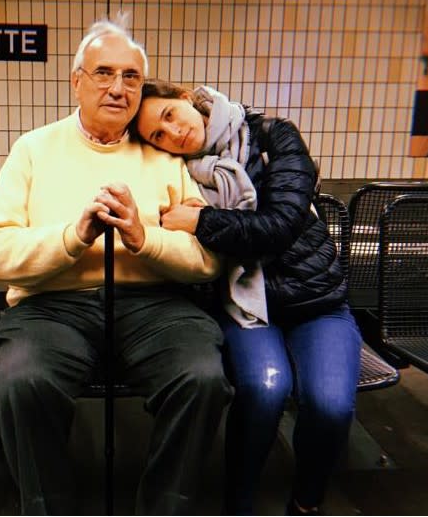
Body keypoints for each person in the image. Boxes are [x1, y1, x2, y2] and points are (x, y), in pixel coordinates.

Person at [0, 17, 232, 515]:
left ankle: (164, 508)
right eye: (103, 73)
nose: (118, 88)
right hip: (52, 305)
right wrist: (74, 237)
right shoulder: (34, 149)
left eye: (131, 77)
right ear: (77, 81)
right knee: (23, 384)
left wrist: (143, 237)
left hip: (155, 306)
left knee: (202, 379)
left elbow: (206, 261)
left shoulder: (162, 156)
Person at [134, 80, 362, 515]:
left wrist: (202, 222)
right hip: (243, 307)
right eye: (157, 137)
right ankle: (239, 502)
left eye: (168, 116)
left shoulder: (274, 136)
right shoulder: (176, 174)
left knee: (330, 405)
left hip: (317, 302)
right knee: (264, 389)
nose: (172, 135)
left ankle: (306, 501)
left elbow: (279, 225)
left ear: (185, 98)